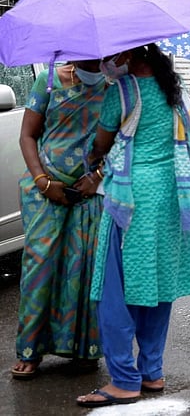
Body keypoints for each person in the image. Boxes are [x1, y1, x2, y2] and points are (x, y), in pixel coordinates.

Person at [77, 44, 190, 407]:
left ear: (128, 57)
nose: (108, 61)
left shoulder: (121, 92)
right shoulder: (176, 89)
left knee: (114, 290)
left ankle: (124, 379)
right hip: (172, 198)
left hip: (131, 201)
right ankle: (151, 371)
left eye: (114, 55)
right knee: (158, 285)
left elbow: (101, 145)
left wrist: (91, 155)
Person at [12, 61, 106, 380]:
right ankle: (30, 350)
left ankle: (82, 348)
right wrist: (43, 181)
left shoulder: (115, 87)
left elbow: (124, 141)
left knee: (83, 268)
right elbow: (28, 135)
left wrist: (97, 177)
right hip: (44, 188)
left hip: (89, 190)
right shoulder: (48, 81)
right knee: (40, 266)